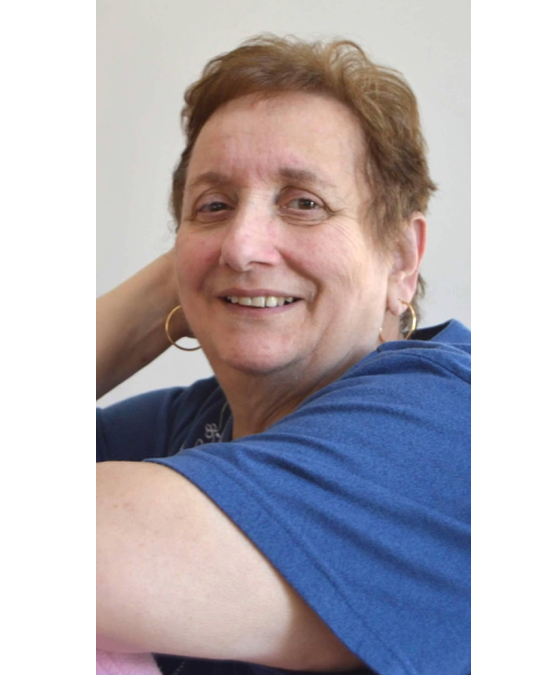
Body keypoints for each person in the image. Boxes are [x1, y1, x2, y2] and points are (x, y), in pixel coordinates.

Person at [96, 35, 470, 675]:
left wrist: (218, 258)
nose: (242, 245)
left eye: (304, 203)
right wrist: (193, 274)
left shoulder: (450, 422)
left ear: (401, 258)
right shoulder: (197, 423)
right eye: (213, 206)